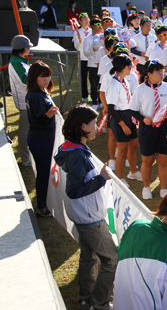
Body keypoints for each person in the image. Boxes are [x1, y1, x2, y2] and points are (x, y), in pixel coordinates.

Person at [53, 104, 116, 310]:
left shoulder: (69, 147)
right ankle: (100, 302)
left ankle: (85, 298)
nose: (97, 127)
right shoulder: (78, 155)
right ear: (82, 127)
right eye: (93, 123)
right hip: (90, 217)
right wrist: (102, 178)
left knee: (89, 256)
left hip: (81, 214)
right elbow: (74, 190)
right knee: (111, 259)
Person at [130, 60, 167, 200]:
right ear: (149, 74)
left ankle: (163, 188)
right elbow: (133, 110)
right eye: (158, 72)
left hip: (164, 127)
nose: (161, 74)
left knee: (163, 161)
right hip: (148, 127)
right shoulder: (140, 89)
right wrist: (143, 118)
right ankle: (146, 187)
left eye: (162, 71)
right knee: (147, 161)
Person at [26, 61, 58, 217]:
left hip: (42, 138)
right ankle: (42, 207)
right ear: (34, 77)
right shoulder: (36, 96)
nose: (46, 79)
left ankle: (44, 203)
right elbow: (38, 120)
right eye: (42, 76)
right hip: (40, 139)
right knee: (44, 173)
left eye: (48, 76)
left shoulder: (41, 92)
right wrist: (50, 114)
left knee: (45, 172)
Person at [105, 54, 142, 188]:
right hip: (119, 117)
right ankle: (119, 179)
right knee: (122, 150)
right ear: (125, 67)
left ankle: (133, 172)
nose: (132, 67)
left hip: (128, 115)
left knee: (133, 146)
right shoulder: (113, 83)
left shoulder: (124, 80)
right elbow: (111, 108)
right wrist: (123, 125)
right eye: (130, 65)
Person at [9, 35, 32, 166]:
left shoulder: (19, 60)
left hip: (26, 99)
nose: (29, 49)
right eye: (28, 46)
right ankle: (25, 159)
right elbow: (25, 80)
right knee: (24, 131)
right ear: (23, 48)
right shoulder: (16, 61)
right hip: (24, 101)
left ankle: (27, 156)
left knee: (27, 129)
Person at [83, 18, 104, 109]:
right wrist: (93, 50)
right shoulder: (87, 39)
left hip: (102, 64)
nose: (100, 27)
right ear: (92, 26)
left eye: (100, 25)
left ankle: (101, 101)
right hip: (92, 64)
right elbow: (85, 52)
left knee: (102, 84)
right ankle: (94, 101)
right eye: (97, 25)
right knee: (94, 84)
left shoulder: (103, 36)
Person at [73, 13, 92, 103]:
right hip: (82, 57)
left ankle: (93, 94)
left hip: (91, 58)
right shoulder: (77, 32)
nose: (86, 20)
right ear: (80, 21)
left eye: (87, 18)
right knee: (83, 77)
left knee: (92, 77)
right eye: (84, 18)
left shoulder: (92, 31)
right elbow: (76, 47)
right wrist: (79, 41)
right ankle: (84, 95)